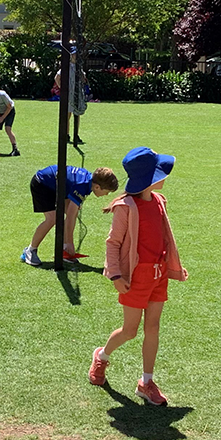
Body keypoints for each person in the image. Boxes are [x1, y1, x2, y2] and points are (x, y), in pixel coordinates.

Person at [88, 147, 188, 406]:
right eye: (160, 172)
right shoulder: (126, 207)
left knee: (152, 328)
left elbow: (165, 238)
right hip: (135, 276)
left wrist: (174, 267)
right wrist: (115, 275)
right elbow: (113, 243)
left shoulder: (159, 201)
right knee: (130, 331)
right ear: (148, 177)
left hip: (159, 274)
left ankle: (146, 382)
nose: (165, 176)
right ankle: (102, 356)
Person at [21, 165, 119, 267]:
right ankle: (30, 250)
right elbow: (70, 217)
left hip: (58, 186)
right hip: (42, 184)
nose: (106, 195)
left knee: (72, 211)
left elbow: (71, 212)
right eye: (107, 192)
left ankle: (65, 251)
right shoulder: (82, 185)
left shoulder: (89, 182)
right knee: (53, 219)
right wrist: (70, 242)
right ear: (97, 187)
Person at [55, 50, 88, 145]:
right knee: (68, 114)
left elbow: (83, 79)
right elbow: (57, 77)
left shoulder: (78, 67)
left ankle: (76, 134)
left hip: (77, 93)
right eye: (74, 54)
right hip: (69, 93)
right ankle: (67, 134)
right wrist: (62, 88)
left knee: (77, 114)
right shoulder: (66, 66)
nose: (75, 56)